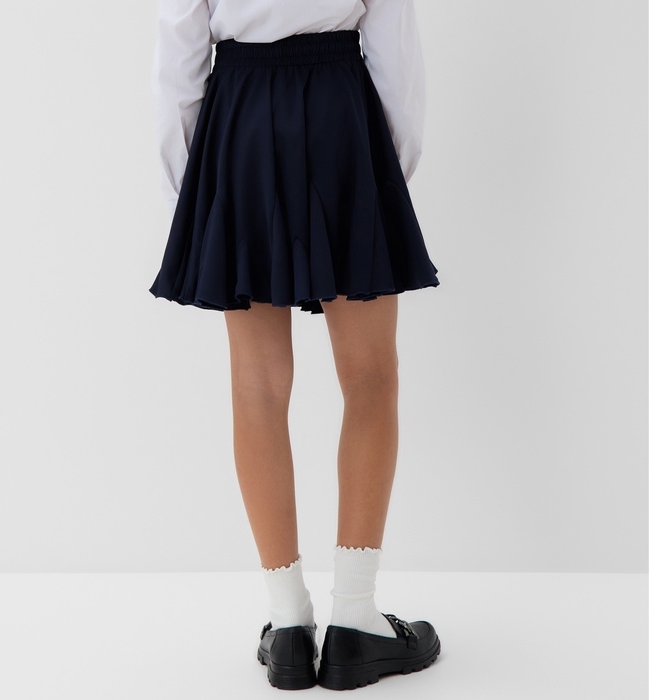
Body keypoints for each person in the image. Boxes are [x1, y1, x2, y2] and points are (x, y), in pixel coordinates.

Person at [148, 0, 442, 691]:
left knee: (256, 384)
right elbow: (397, 58)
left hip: (238, 123)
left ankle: (287, 625)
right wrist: (383, 176)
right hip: (343, 116)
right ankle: (356, 619)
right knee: (371, 376)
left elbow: (177, 61)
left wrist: (192, 195)